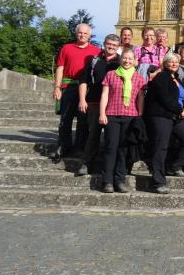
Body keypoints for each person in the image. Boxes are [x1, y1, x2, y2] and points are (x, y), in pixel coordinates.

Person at [144, 52, 184, 193]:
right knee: (161, 147)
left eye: (176, 62)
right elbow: (164, 98)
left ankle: (175, 166)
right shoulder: (161, 77)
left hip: (175, 115)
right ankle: (158, 181)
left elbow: (183, 98)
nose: (174, 64)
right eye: (171, 61)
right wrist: (180, 109)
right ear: (165, 63)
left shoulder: (176, 78)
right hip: (161, 116)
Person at [98, 49, 147, 193]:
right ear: (121, 59)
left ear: (134, 61)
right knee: (110, 148)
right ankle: (107, 181)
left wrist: (140, 115)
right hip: (112, 115)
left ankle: (119, 180)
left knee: (123, 150)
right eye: (125, 58)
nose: (127, 61)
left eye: (130, 59)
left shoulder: (138, 78)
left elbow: (141, 98)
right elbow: (105, 95)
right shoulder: (111, 75)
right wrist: (102, 113)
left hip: (130, 117)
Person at [53, 23, 101, 159]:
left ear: (89, 36)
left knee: (83, 119)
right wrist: (57, 87)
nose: (82, 35)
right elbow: (60, 68)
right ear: (76, 33)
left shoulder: (96, 51)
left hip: (86, 88)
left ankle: (79, 148)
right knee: (65, 118)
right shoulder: (66, 48)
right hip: (68, 86)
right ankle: (63, 146)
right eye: (80, 32)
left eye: (85, 33)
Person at [77, 34, 121, 176]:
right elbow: (84, 80)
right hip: (95, 102)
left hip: (114, 104)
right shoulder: (94, 60)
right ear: (104, 43)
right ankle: (86, 163)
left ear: (118, 47)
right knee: (93, 135)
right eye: (109, 44)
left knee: (111, 138)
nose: (111, 47)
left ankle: (106, 168)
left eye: (114, 45)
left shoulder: (121, 62)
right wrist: (82, 99)